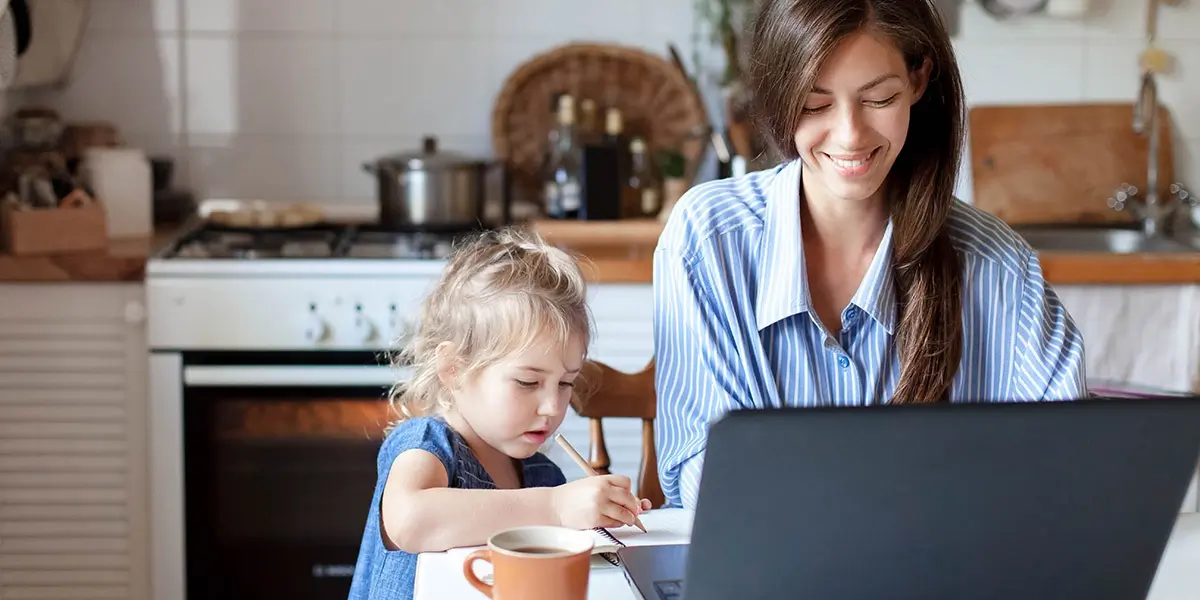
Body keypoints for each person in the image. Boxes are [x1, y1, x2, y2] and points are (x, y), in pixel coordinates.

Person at [653, 0, 1087, 509]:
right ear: (778, 96)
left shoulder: (999, 266)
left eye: (879, 98)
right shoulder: (708, 240)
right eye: (815, 104)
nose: (850, 136)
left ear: (919, 80)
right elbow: (704, 477)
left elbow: (1065, 466)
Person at [348, 229, 651, 600]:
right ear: (454, 368)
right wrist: (556, 507)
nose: (553, 407)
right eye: (527, 382)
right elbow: (411, 520)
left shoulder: (542, 474)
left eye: (565, 383)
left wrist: (598, 512)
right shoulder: (428, 443)